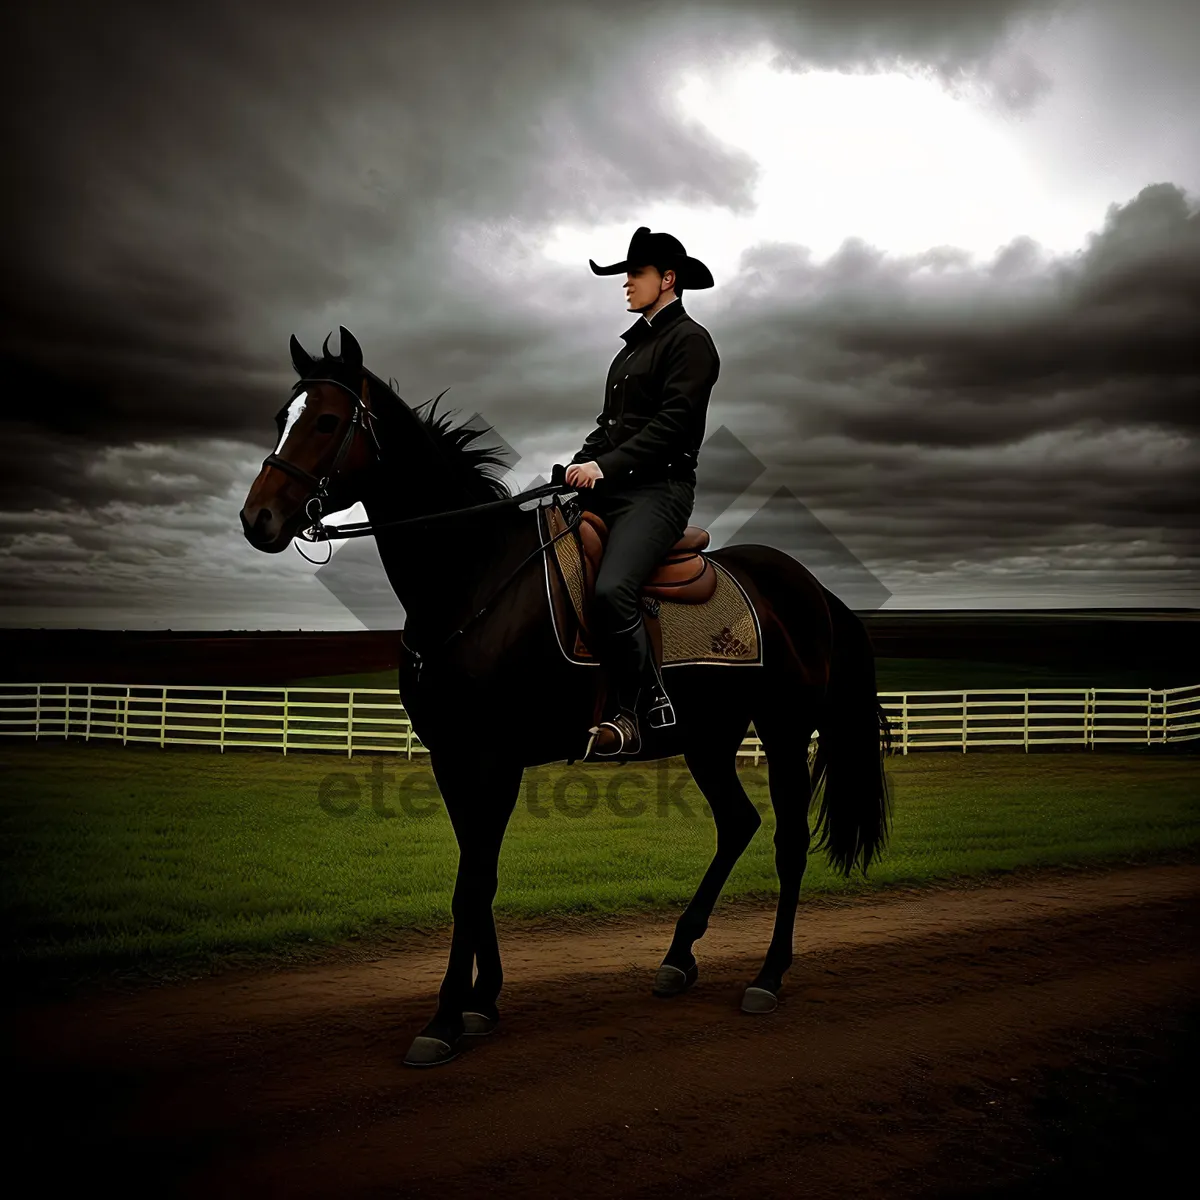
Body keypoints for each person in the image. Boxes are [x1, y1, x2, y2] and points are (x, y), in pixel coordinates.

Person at [565, 226, 720, 759]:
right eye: (626, 275)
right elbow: (613, 425)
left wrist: (603, 467)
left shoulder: (691, 342)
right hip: (614, 485)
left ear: (667, 279)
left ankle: (635, 711)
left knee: (612, 591)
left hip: (660, 492)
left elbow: (673, 426)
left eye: (635, 274)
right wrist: (579, 461)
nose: (626, 284)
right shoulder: (630, 351)